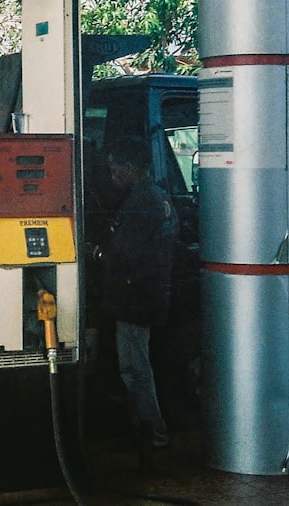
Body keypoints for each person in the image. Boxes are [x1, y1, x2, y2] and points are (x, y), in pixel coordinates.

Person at [100, 135, 178, 458]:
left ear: (131, 167)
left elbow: (125, 252)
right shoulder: (158, 198)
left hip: (135, 299)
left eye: (116, 170)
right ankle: (142, 429)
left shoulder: (140, 203)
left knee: (135, 369)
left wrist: (98, 253)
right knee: (136, 366)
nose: (113, 177)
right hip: (148, 294)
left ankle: (152, 432)